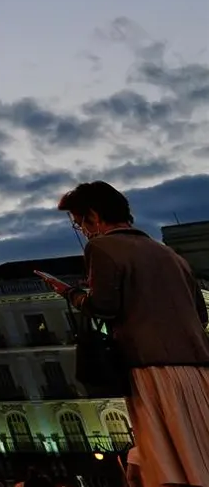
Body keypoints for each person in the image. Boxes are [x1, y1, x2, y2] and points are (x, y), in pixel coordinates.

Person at [53, 181, 209, 485]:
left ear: (94, 216)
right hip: (198, 371)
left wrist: (70, 293)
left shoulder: (102, 246)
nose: (82, 231)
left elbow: (102, 307)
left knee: (168, 463)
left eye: (79, 224)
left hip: (152, 370)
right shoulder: (170, 255)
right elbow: (200, 314)